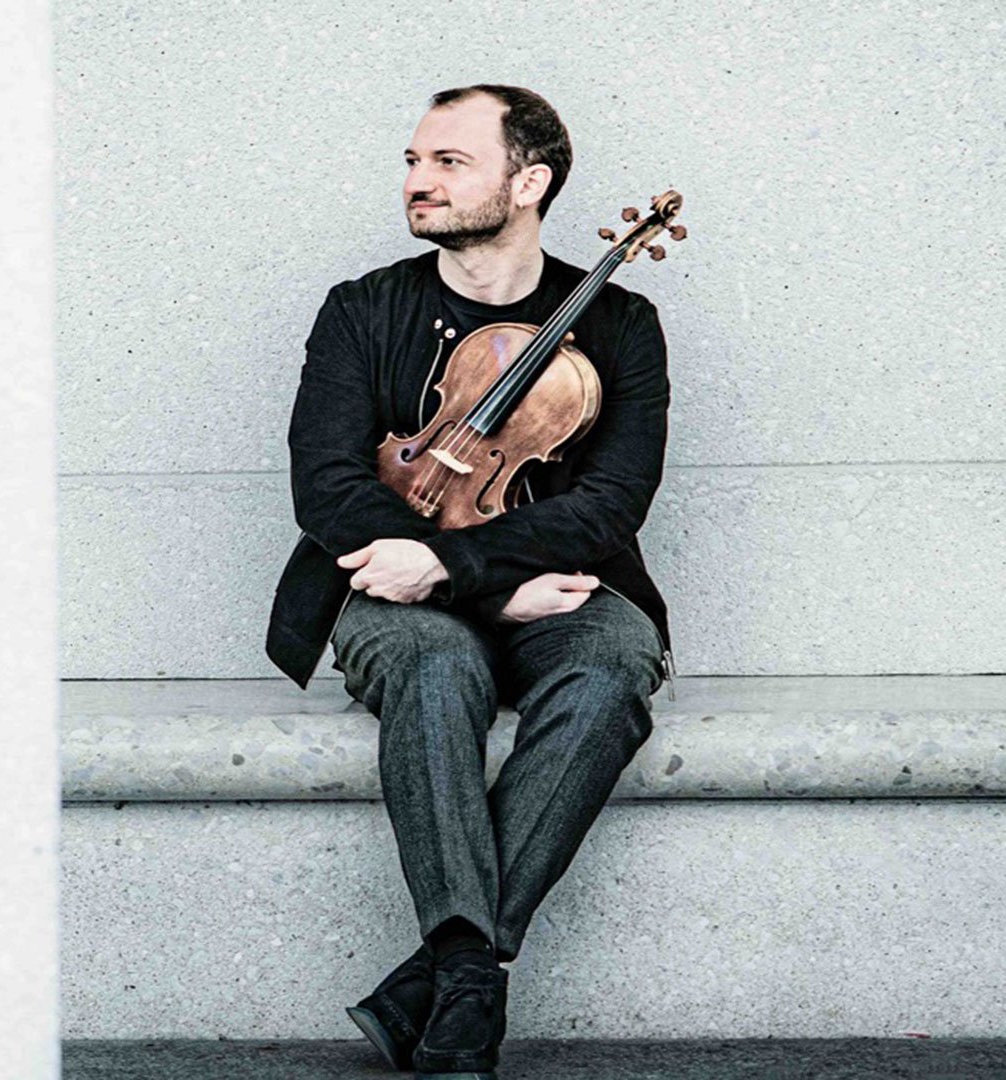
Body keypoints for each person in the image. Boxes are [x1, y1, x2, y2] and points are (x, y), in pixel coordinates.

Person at [262, 84, 676, 1079]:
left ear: (528, 182)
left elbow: (608, 505)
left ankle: (448, 973)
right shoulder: (364, 310)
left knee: (616, 661)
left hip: (557, 589)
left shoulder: (620, 324)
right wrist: (478, 592)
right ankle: (469, 975)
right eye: (413, 160)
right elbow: (327, 486)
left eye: (449, 161)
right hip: (389, 589)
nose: (418, 180)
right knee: (437, 666)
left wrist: (461, 564)